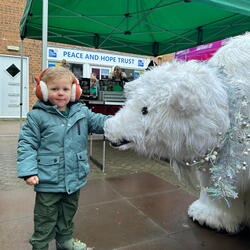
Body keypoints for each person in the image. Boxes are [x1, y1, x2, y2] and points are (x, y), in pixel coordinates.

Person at [17, 66, 111, 250]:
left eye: (65, 89)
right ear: (43, 91)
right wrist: (28, 171)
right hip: (48, 179)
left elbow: (100, 122)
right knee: (45, 216)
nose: (60, 93)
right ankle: (40, 244)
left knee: (68, 212)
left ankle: (65, 240)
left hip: (74, 177)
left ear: (74, 91)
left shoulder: (82, 112)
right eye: (54, 89)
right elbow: (26, 144)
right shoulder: (37, 116)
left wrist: (120, 123)